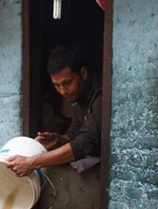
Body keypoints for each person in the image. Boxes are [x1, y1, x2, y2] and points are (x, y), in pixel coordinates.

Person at [7, 45, 102, 177]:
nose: (63, 91)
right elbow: (75, 131)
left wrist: (32, 162)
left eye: (67, 82)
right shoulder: (78, 98)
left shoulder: (101, 96)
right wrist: (60, 140)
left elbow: (87, 141)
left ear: (83, 73)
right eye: (57, 85)